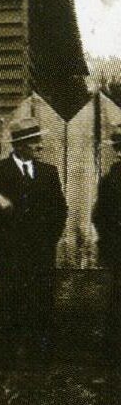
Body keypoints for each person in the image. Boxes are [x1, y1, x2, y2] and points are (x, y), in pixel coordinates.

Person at [0, 117, 66, 367]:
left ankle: (39, 359)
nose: (40, 147)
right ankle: (8, 357)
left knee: (41, 300)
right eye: (35, 142)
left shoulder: (48, 173)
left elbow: (60, 210)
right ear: (20, 146)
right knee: (12, 299)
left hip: (41, 250)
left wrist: (49, 239)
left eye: (40, 141)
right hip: (9, 250)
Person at [92, 124, 121, 364]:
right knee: (117, 302)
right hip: (118, 251)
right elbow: (100, 216)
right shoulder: (111, 180)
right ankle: (113, 354)